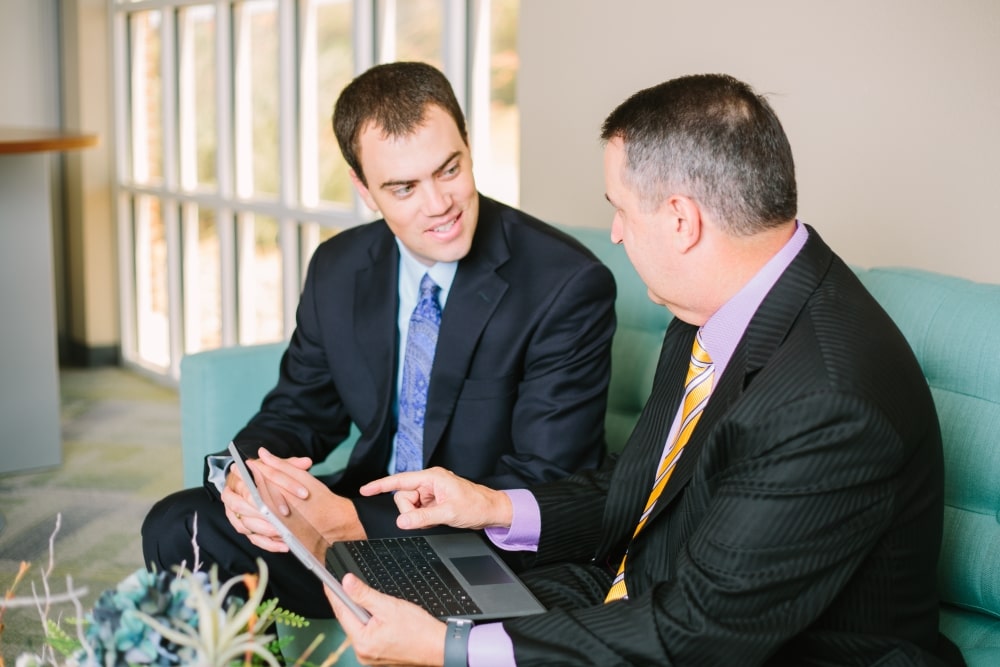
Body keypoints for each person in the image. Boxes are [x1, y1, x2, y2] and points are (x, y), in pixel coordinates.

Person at [317, 73, 964, 666]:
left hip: (763, 648)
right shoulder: (708, 306)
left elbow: (698, 632)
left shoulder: (827, 400)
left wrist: (449, 646)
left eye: (621, 209)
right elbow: (642, 489)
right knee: (404, 596)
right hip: (640, 590)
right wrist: (490, 505)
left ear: (681, 219)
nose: (617, 233)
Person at [141, 61, 617, 619]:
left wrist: (354, 522)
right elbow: (299, 412)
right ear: (365, 189)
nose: (439, 204)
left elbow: (545, 478)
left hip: (480, 549)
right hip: (357, 519)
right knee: (180, 525)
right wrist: (247, 481)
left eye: (449, 169)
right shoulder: (339, 267)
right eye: (404, 187)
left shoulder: (565, 284)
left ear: (468, 146)